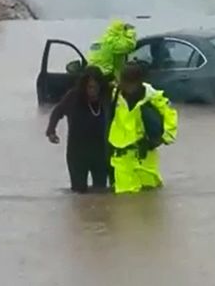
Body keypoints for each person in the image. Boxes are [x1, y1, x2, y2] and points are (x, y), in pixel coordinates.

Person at [108, 63, 178, 194]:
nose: (125, 86)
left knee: (150, 195)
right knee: (125, 197)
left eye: (129, 83)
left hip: (145, 153)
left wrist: (165, 137)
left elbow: (170, 114)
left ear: (139, 82)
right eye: (124, 82)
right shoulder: (115, 94)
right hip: (121, 156)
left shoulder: (153, 97)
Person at [46, 66, 110, 193]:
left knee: (101, 192)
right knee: (78, 192)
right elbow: (57, 112)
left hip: (101, 151)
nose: (93, 91)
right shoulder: (73, 97)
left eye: (96, 87)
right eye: (89, 87)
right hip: (77, 152)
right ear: (83, 86)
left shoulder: (107, 98)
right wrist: (51, 131)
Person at [67, 19, 137, 81]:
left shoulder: (98, 41)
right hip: (107, 77)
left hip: (92, 76)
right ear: (121, 30)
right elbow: (130, 46)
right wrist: (130, 31)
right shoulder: (113, 43)